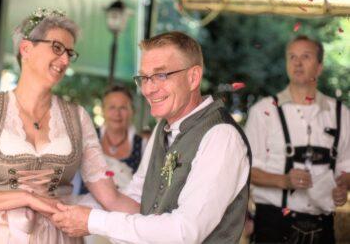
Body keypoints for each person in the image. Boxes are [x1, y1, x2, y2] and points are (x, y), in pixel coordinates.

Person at [0, 9, 139, 243]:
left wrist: (159, 220)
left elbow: (111, 198)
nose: (66, 60)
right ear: (26, 49)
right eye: (57, 48)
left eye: (70, 53)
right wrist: (25, 198)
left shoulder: (78, 117)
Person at [53, 31, 252, 243]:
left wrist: (93, 221)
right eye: (144, 77)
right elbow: (137, 200)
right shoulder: (162, 128)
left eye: (161, 75)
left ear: (193, 77)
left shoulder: (221, 136)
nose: (148, 89)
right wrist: (67, 207)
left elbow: (184, 232)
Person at [244, 35, 349, 243]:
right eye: (292, 57)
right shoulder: (263, 111)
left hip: (323, 226)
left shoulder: (341, 114)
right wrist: (284, 180)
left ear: (319, 66)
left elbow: (347, 166)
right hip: (273, 225)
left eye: (306, 56)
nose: (297, 63)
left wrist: (343, 186)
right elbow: (246, 171)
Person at [98, 85, 148, 172]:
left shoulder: (143, 145)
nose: (117, 113)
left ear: (132, 112)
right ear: (103, 111)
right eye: (112, 107)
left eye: (123, 108)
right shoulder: (89, 139)